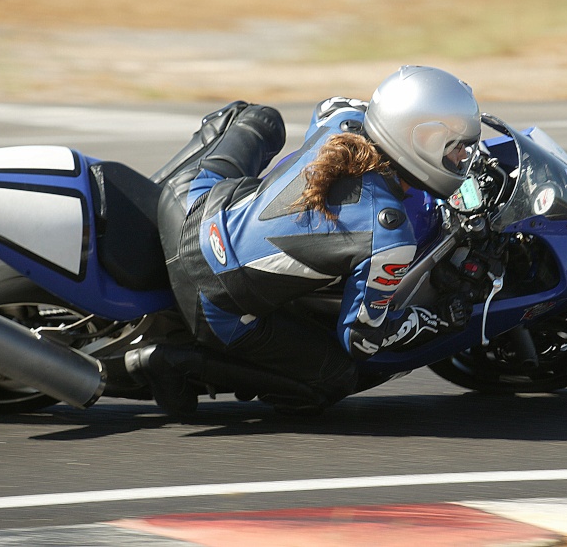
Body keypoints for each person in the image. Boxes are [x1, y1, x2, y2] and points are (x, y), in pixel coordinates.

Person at [140, 65, 482, 416]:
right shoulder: (389, 234)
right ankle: (173, 361)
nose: (462, 159)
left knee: (262, 120)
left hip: (191, 202)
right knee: (337, 377)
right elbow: (361, 339)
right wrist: (435, 318)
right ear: (419, 141)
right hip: (212, 303)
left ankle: (140, 212)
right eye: (456, 149)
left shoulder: (343, 120)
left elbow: (331, 105)